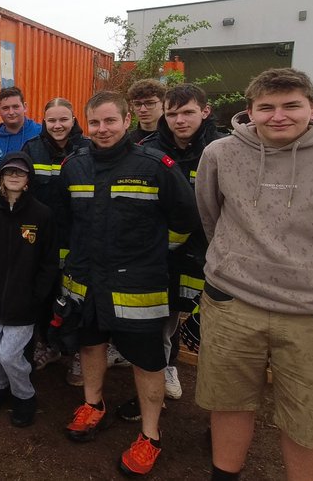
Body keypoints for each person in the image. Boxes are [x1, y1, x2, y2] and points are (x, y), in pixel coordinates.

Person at [194, 68, 313, 481]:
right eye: (266, 107)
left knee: (308, 417)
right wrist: (235, 262)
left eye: (291, 106)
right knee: (227, 403)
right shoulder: (220, 155)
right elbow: (211, 216)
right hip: (233, 303)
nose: (278, 116)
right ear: (250, 112)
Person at [58, 91, 198, 477]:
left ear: (125, 122)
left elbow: (185, 219)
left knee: (147, 361)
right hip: (86, 282)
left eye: (110, 121)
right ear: (86, 124)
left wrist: (153, 253)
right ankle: (93, 404)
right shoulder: (74, 166)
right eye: (96, 123)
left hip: (137, 286)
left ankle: (150, 436)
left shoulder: (155, 165)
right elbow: (67, 224)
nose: (102, 130)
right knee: (90, 344)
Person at [115, 83, 224, 419]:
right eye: (173, 113)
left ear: (204, 111)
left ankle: (217, 416)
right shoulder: (146, 148)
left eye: (187, 112)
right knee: (158, 326)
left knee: (212, 337)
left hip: (211, 260)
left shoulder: (223, 150)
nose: (179, 120)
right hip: (158, 255)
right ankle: (153, 395)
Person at [0, 152, 56, 427]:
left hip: (24, 303)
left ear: (28, 178)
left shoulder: (41, 214)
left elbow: (49, 261)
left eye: (20, 173)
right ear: (2, 179)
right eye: (9, 173)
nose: (14, 177)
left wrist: (37, 295)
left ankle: (23, 396)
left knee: (9, 355)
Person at [20, 97, 90, 382]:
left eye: (63, 119)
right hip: (44, 240)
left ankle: (77, 354)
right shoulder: (32, 149)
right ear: (43, 122)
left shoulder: (88, 149)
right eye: (52, 120)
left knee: (77, 299)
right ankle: (48, 346)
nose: (58, 125)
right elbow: (24, 194)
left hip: (79, 239)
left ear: (73, 120)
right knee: (45, 294)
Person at [0, 86, 43, 155]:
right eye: (5, 108)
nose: (11, 112)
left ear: (25, 107)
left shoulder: (40, 133)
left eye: (15, 107)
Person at [127, 79, 166, 144]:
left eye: (150, 103)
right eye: (137, 104)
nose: (143, 110)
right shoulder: (127, 142)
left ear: (163, 104)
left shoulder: (175, 138)